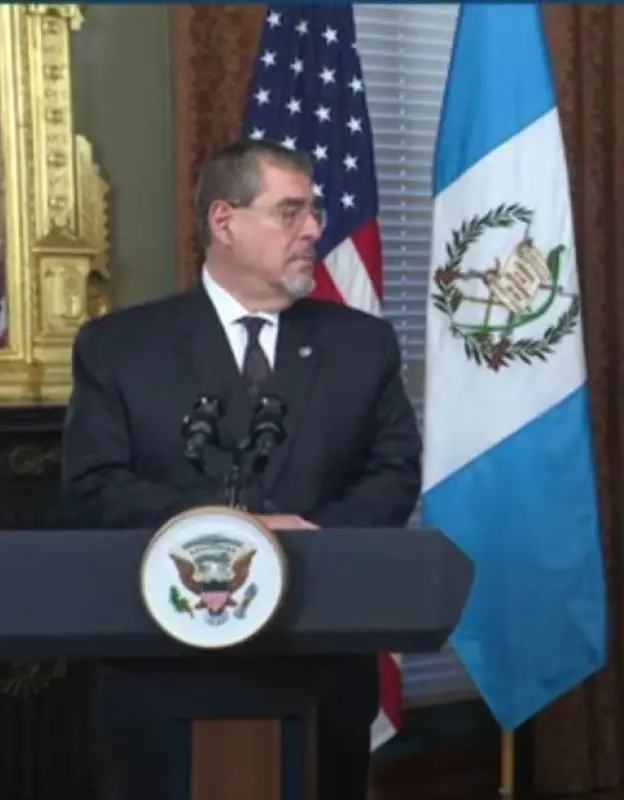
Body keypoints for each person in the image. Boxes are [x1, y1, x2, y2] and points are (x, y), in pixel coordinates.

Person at [61, 139, 422, 799]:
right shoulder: (120, 348)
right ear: (224, 222)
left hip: (321, 665)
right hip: (164, 668)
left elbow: (394, 473)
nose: (314, 228)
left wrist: (307, 532)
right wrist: (235, 533)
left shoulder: (361, 344)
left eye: (312, 210)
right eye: (290, 212)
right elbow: (94, 488)